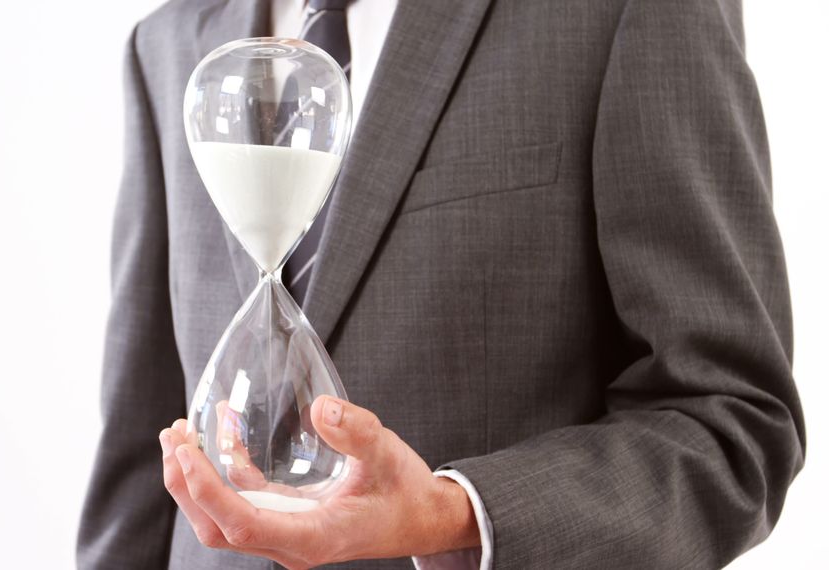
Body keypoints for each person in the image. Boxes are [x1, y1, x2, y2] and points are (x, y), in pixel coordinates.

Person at [77, 0, 806, 568]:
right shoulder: (168, 43)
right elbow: (138, 448)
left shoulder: (620, 13)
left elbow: (731, 421)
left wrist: (451, 512)